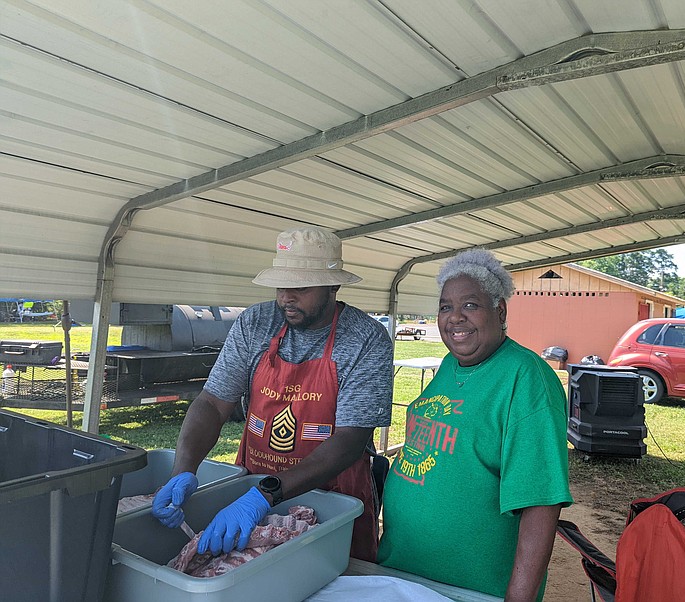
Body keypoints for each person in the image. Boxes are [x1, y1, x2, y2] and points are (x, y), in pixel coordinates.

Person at [152, 226, 393, 562]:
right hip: (254, 488)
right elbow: (212, 402)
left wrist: (266, 494)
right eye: (282, 286)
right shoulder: (256, 323)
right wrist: (183, 469)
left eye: (300, 287)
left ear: (333, 285)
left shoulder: (366, 338)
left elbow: (350, 440)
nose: (286, 298)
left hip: (333, 499)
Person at [377, 248, 573, 601]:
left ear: (499, 311)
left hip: (472, 588)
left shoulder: (526, 379)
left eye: (470, 305)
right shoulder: (451, 365)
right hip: (403, 569)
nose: (455, 318)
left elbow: (541, 501)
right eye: (445, 307)